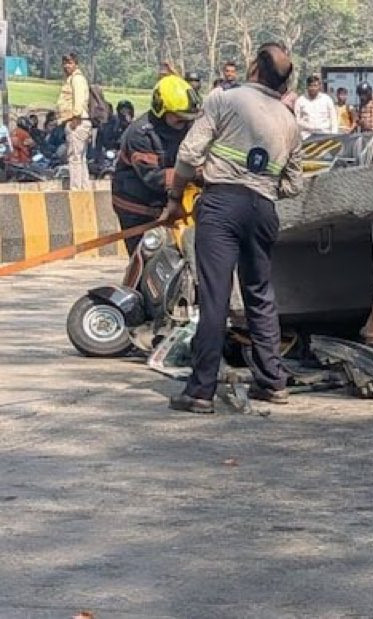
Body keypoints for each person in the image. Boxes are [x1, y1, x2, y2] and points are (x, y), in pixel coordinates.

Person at [161, 42, 303, 414]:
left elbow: (188, 155)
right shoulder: (289, 121)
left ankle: (200, 391)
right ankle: (272, 383)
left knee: (215, 296)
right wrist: (261, 184)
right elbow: (293, 185)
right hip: (263, 210)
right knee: (260, 294)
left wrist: (175, 198)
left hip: (222, 205)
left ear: (254, 68)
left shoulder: (224, 99)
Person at [112, 75, 201, 255]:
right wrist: (193, 174)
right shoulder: (140, 135)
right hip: (137, 207)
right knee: (147, 257)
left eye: (188, 119)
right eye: (179, 119)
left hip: (168, 202)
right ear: (161, 110)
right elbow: (154, 177)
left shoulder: (187, 127)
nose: (185, 124)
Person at [57, 52, 92, 189]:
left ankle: (76, 189)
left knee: (75, 158)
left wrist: (75, 118)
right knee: (80, 158)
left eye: (70, 63)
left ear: (76, 64)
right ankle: (84, 188)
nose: (67, 66)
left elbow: (79, 99)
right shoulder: (71, 79)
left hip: (77, 122)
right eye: (65, 63)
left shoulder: (77, 79)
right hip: (78, 121)